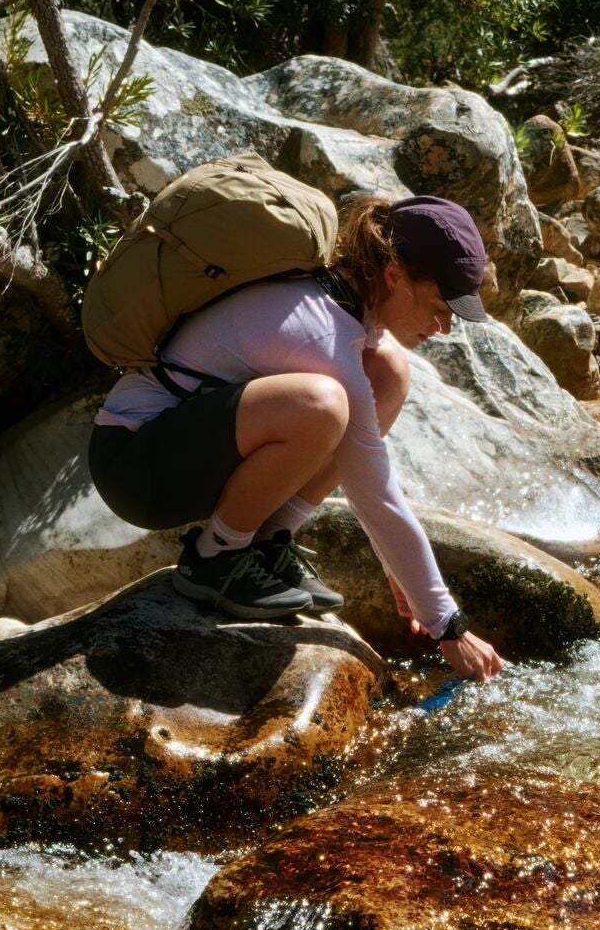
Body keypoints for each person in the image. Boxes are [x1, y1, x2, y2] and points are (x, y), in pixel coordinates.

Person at [86, 193, 503, 682]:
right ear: (393, 276)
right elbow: (375, 494)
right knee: (320, 406)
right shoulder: (321, 335)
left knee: (389, 370)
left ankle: (267, 541)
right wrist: (445, 624)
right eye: (438, 307)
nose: (445, 327)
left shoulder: (344, 301)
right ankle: (215, 558)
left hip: (182, 446)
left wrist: (402, 570)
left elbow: (372, 488)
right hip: (135, 464)